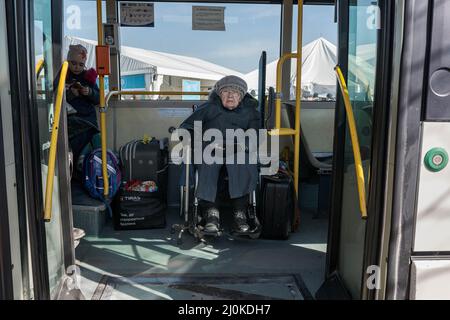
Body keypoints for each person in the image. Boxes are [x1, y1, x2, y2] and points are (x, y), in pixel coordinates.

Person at [179, 75, 260, 234]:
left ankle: (240, 214)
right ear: (219, 94)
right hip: (210, 149)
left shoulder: (251, 113)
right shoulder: (209, 108)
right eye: (226, 92)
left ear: (242, 95)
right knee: (208, 160)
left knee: (242, 161)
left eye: (235, 92)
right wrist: (195, 142)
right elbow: (185, 128)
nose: (230, 95)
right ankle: (211, 214)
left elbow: (255, 136)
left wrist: (240, 146)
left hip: (238, 151)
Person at [65, 44, 100, 175]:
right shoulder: (63, 75)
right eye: (73, 63)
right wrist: (71, 94)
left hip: (88, 121)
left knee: (86, 145)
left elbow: (98, 99)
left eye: (81, 64)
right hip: (70, 120)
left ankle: (83, 172)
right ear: (68, 61)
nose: (77, 67)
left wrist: (89, 92)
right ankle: (74, 172)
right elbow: (56, 97)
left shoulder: (88, 77)